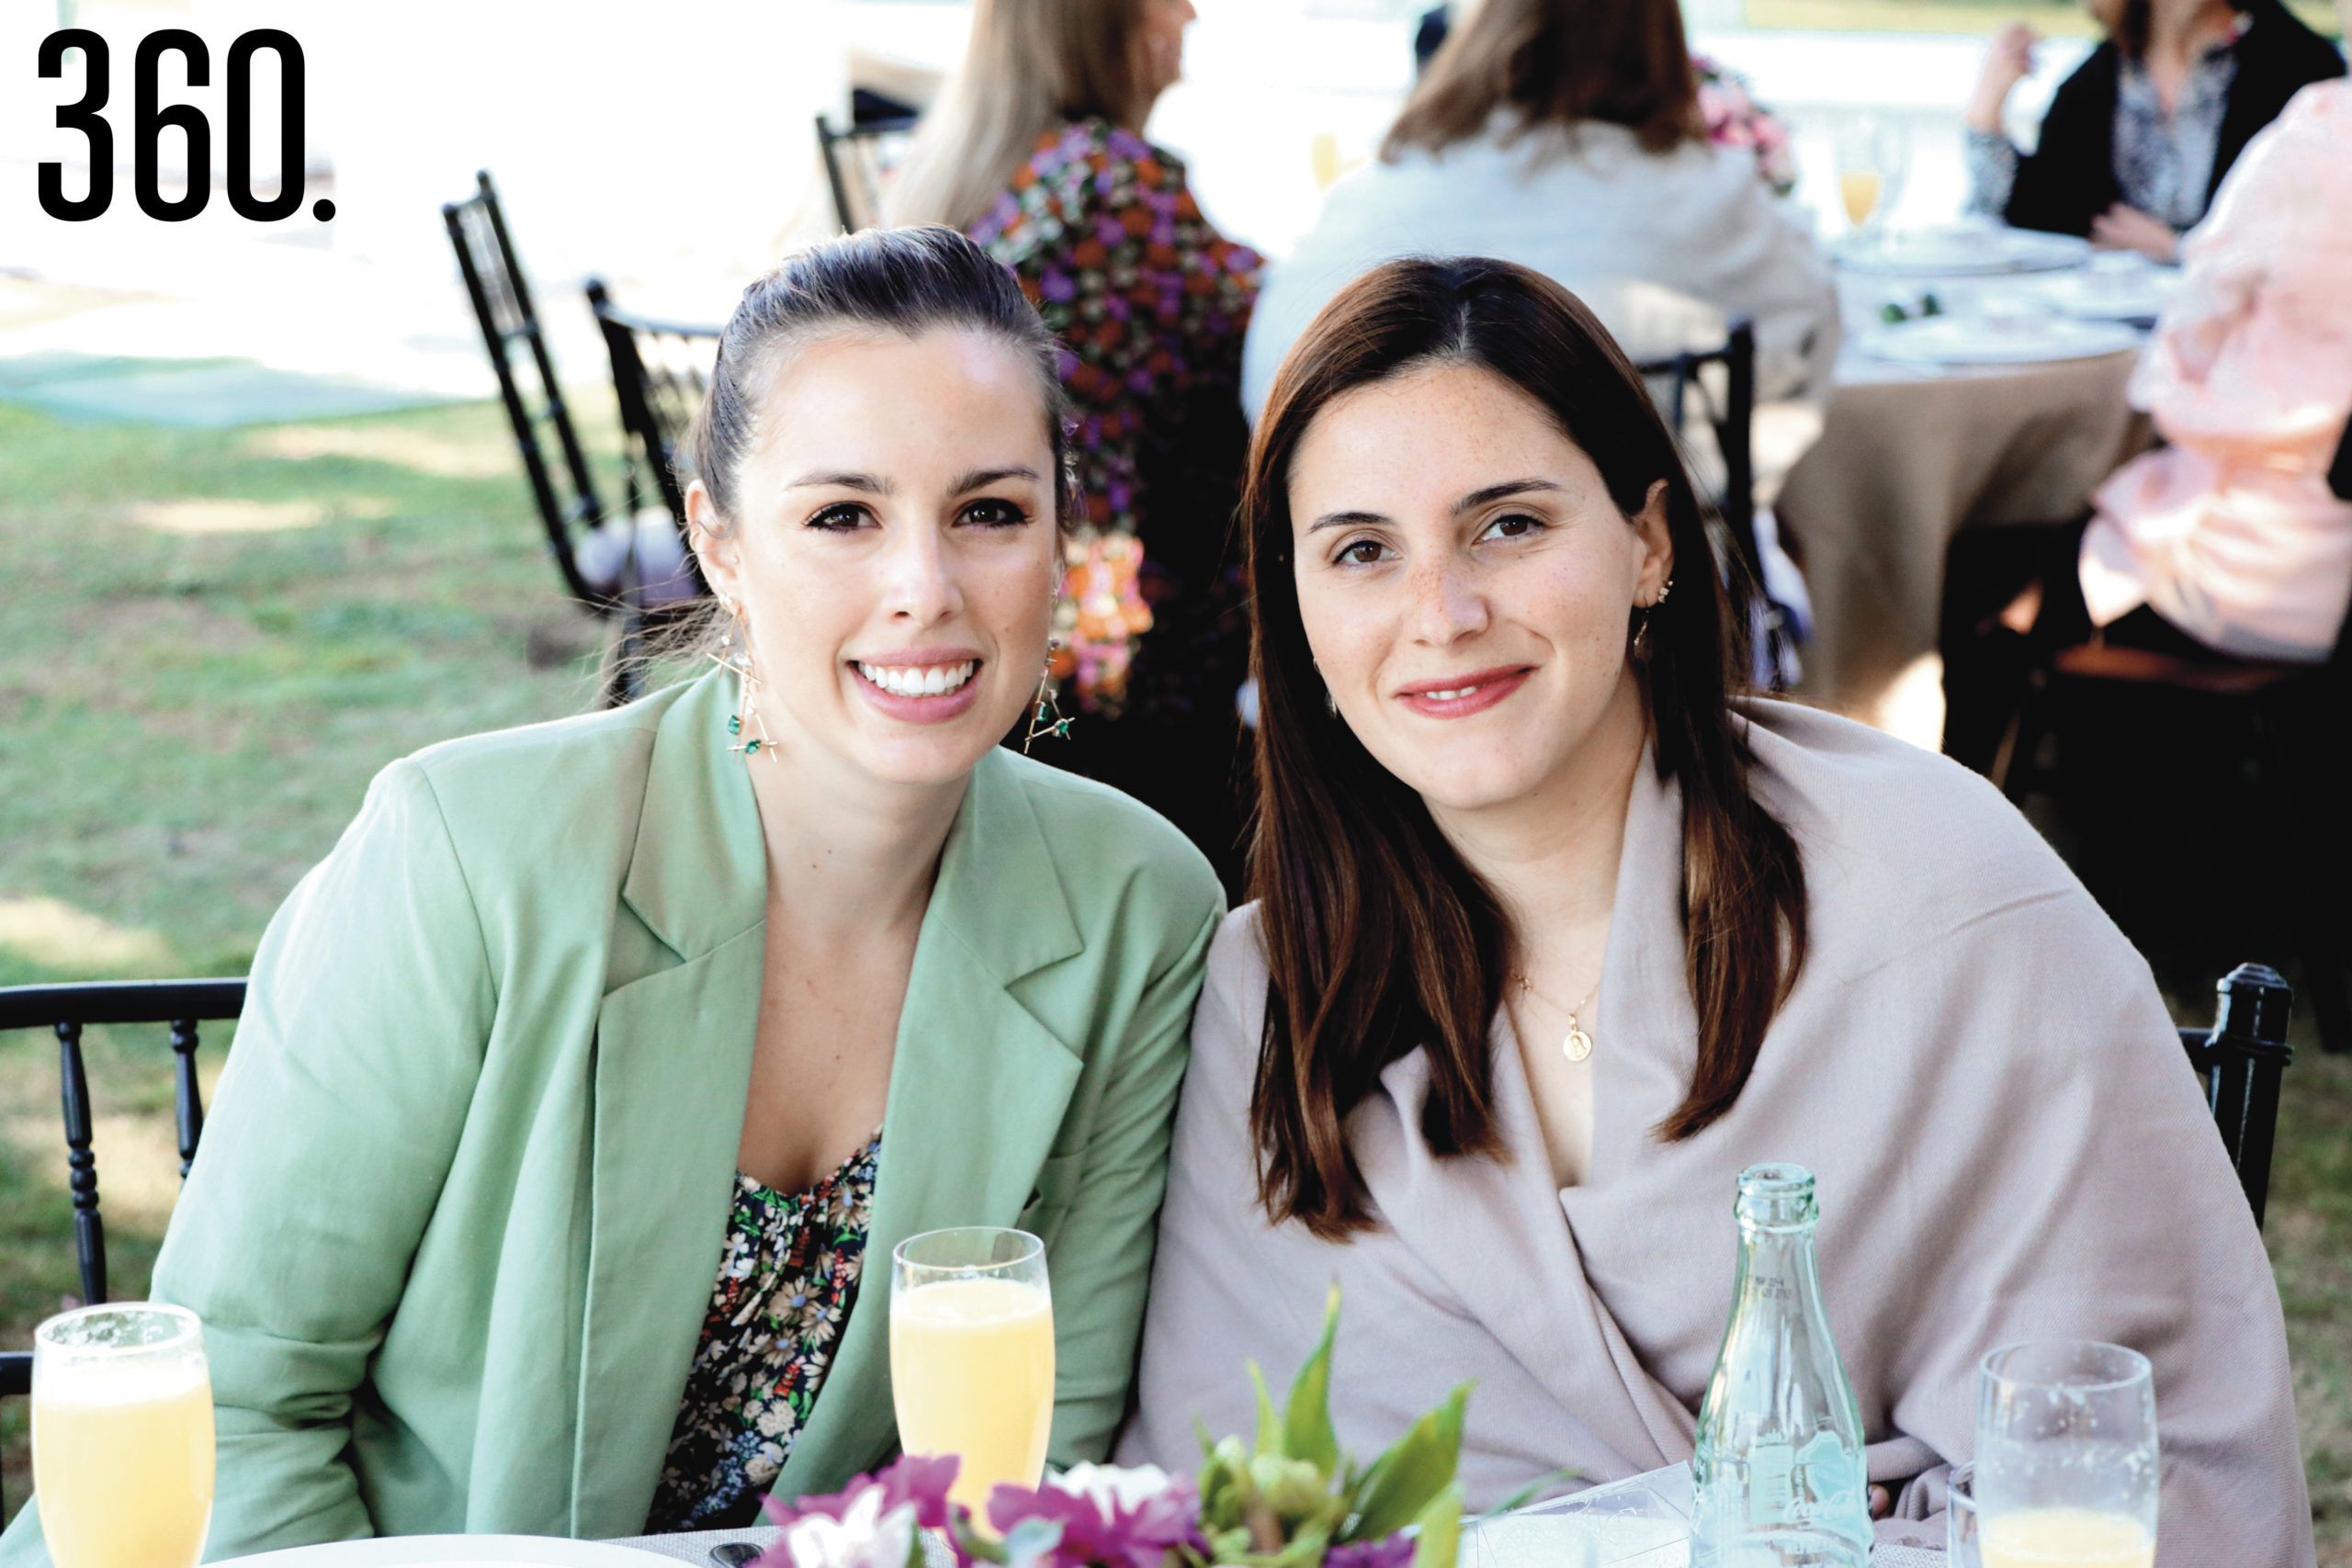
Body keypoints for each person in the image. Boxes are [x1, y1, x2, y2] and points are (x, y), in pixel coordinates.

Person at [0, 228, 1223, 1561]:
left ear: (1060, 543)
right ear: (721, 545)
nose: (923, 588)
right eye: (841, 515)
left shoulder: (1135, 910)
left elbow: (1031, 1479)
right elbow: (231, 1407)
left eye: (989, 510)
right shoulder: (465, 854)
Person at [1117, 257, 2312, 1566]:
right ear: (1293, 610)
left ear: (1650, 543)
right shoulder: (1274, 997)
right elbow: (1214, 1508)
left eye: (1509, 525)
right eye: (1360, 550)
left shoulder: (1947, 903)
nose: (1443, 612)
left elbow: (2150, 1493)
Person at [888, 0, 1262, 893]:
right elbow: (1287, 333)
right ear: (1104, 22)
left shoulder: (969, 171)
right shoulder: (1111, 185)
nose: (1192, 12)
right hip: (1124, 644)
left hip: (999, 590)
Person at [1940, 63, 2352, 773]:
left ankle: (1967, 835)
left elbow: (2178, 365)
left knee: (1985, 576)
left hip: (2270, 577)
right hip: (2327, 591)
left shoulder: (2319, 140)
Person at [1241, 0, 1838, 419]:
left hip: (1394, 576)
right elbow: (1803, 363)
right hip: (1669, 573)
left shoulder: (1376, 194)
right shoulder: (1716, 198)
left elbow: (1271, 388)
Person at [1963, 0, 2342, 260]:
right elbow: (2020, 222)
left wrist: (2184, 249)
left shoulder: (2301, 70)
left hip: (2240, 339)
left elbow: (2323, 239)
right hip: (2115, 333)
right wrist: (1988, 109)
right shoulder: (2102, 78)